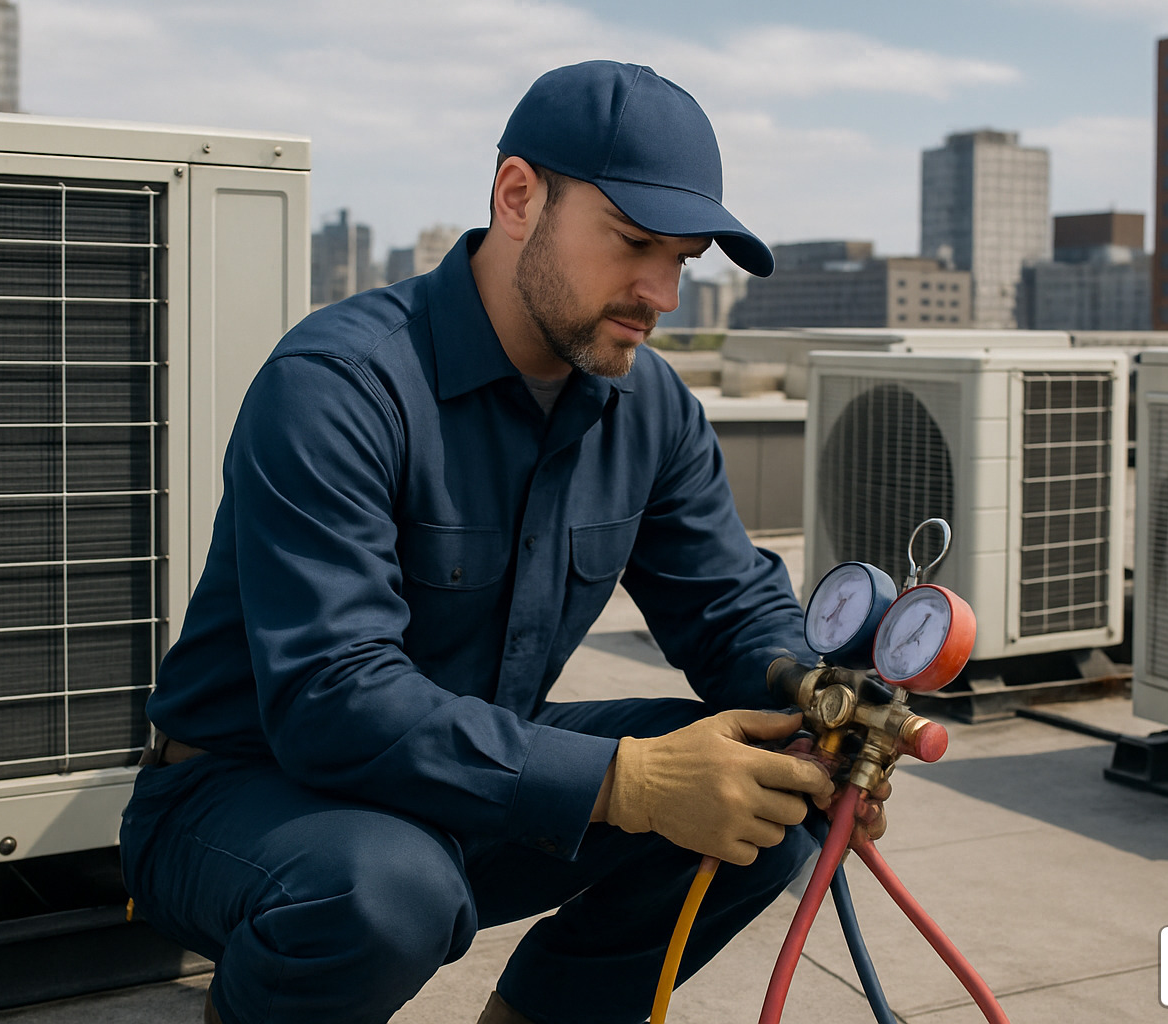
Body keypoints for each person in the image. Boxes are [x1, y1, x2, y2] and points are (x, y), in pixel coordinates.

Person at [120, 60, 885, 1024]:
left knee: (772, 799)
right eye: (635, 241)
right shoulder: (339, 384)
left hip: (468, 783)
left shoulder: (649, 408)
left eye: (682, 259)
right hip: (249, 795)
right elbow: (332, 699)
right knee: (386, 893)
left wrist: (815, 705)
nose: (664, 292)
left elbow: (728, 606)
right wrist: (628, 782)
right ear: (520, 195)